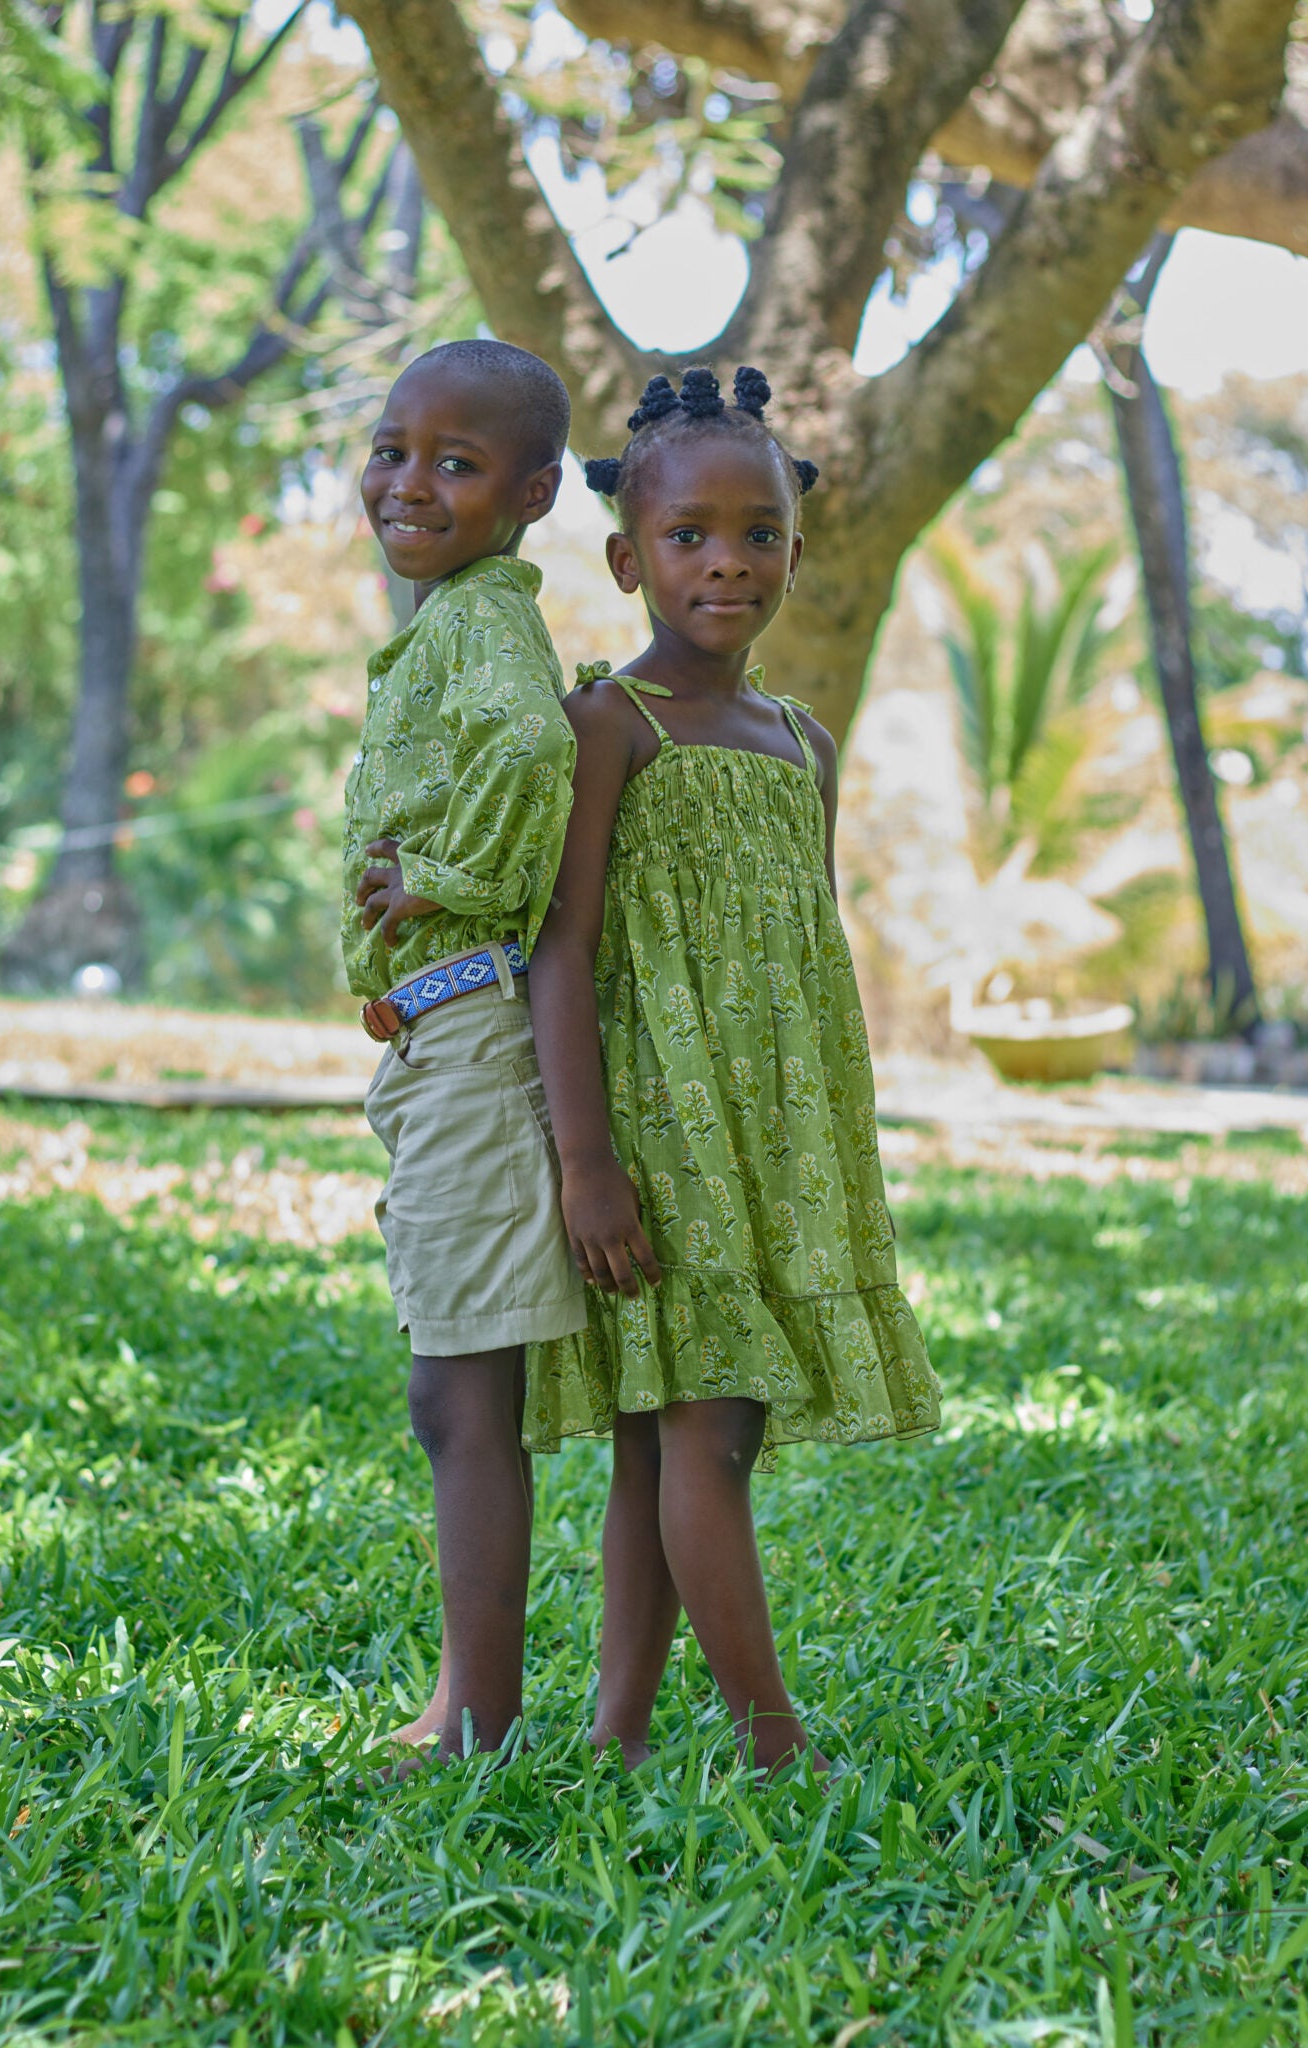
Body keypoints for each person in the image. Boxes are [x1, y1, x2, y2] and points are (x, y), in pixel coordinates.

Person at [525, 365, 941, 1775]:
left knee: (672, 1440)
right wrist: (587, 1161)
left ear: (793, 551)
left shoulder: (800, 740)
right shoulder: (607, 728)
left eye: (754, 533)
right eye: (690, 536)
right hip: (656, 1134)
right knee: (706, 1433)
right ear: (625, 557)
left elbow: (802, 958)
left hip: (771, 1137)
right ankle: (773, 1740)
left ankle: (619, 1734)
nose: (725, 562)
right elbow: (563, 951)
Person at [343, 338, 586, 1766]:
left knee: (459, 1384)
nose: (408, 482)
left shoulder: (484, 627)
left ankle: (476, 1719)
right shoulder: (450, 621)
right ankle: (465, 1703)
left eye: (456, 462)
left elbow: (532, 753)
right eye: (392, 448)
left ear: (535, 491)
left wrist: (450, 879)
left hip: (478, 1022)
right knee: (454, 1381)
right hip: (441, 1031)